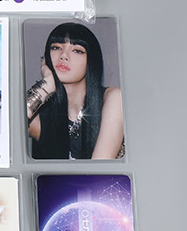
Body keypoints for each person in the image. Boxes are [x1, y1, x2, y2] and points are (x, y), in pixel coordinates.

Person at [27, 22, 124, 159]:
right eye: (56, 47)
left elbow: (100, 168)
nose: (63, 56)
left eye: (77, 50)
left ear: (91, 61)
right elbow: (4, 130)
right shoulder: (40, 119)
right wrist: (46, 85)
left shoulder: (114, 98)